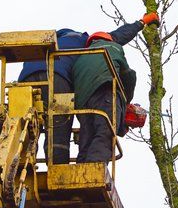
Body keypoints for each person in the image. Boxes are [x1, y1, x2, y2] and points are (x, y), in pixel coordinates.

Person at [17, 11, 158, 163]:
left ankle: (19, 164)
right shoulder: (88, 45)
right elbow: (117, 37)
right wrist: (142, 22)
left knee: (23, 128)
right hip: (57, 78)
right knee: (59, 129)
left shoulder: (54, 43)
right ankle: (59, 173)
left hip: (24, 80)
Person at [72, 23, 150, 162]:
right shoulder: (113, 47)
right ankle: (95, 170)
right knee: (106, 131)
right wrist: (126, 102)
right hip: (105, 92)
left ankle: (82, 170)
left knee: (87, 135)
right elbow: (129, 75)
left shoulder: (80, 56)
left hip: (82, 103)